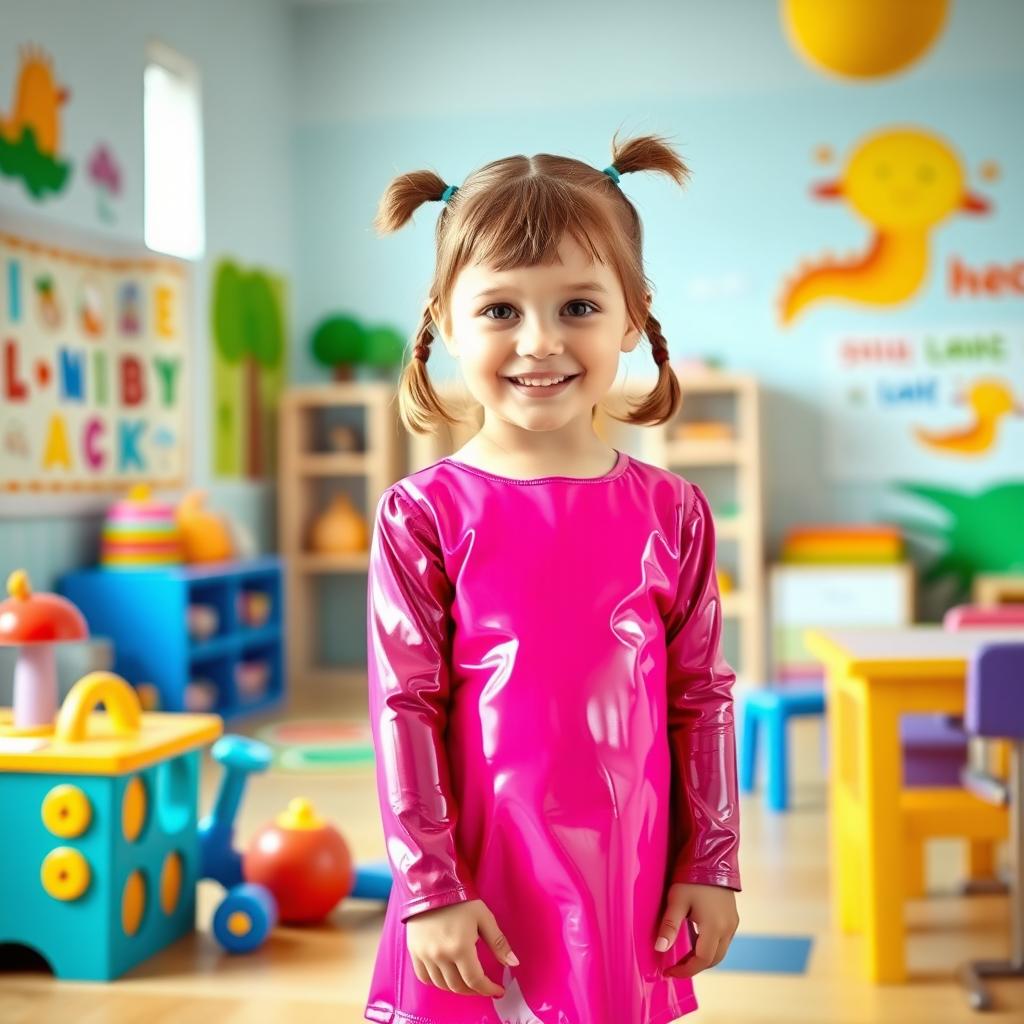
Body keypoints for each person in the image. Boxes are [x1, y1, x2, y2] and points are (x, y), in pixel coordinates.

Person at [364, 132, 741, 1024]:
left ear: (634, 318)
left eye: (578, 305)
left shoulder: (673, 511)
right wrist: (430, 888)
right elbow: (403, 707)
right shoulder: (423, 514)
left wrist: (711, 861)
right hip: (473, 873)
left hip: (627, 872)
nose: (540, 343)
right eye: (500, 311)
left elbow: (701, 696)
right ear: (444, 321)